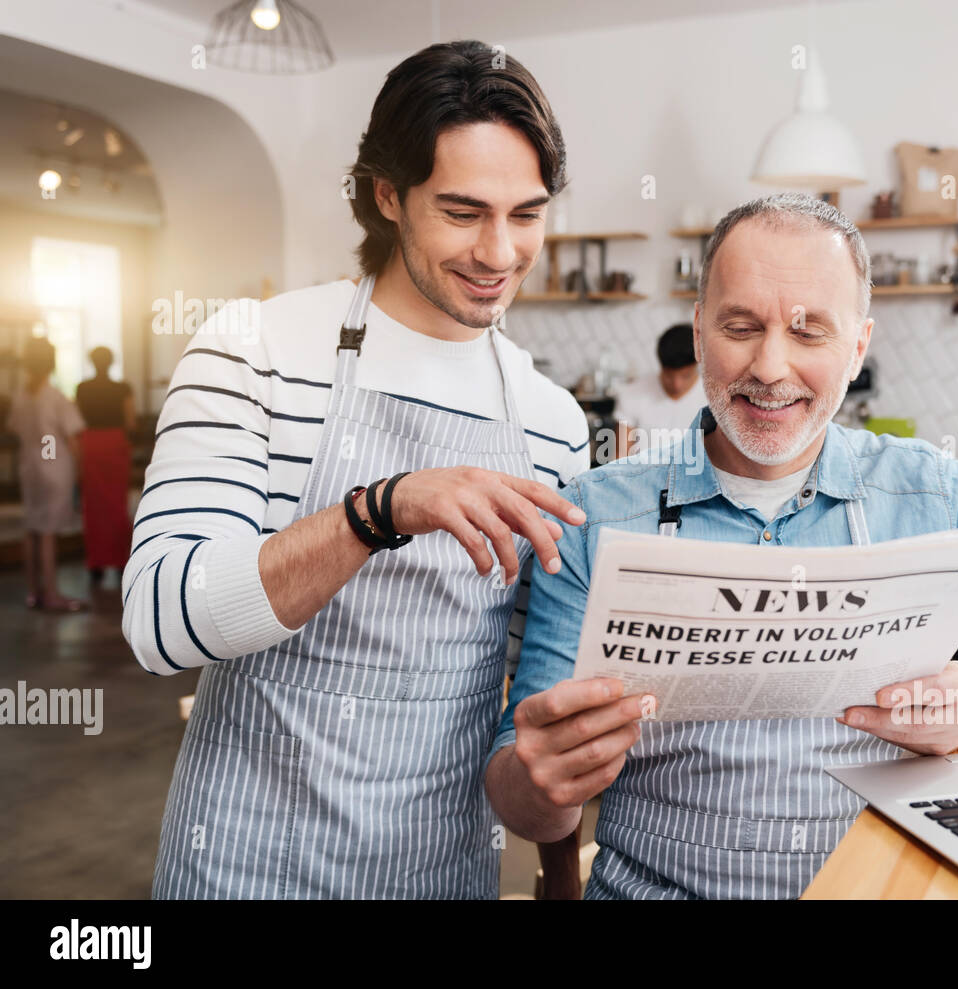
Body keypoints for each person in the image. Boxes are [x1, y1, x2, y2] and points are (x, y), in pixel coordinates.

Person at [485, 192, 958, 899]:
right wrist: (545, 780)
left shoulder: (937, 495)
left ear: (857, 346)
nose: (770, 367)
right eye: (741, 326)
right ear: (700, 331)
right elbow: (518, 799)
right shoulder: (592, 515)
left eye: (809, 333)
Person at [123, 41, 591, 899]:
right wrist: (375, 513)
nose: (499, 252)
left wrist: (563, 869)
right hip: (244, 863)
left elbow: (534, 697)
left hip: (436, 869)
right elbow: (161, 626)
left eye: (526, 214)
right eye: (462, 211)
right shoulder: (253, 352)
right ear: (387, 196)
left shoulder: (553, 424)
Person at [5, 336, 87, 612]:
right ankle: (52, 594)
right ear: (51, 363)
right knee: (49, 532)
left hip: (30, 468)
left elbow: (15, 429)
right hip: (54, 468)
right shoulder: (55, 397)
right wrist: (81, 470)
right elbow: (73, 438)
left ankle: (34, 592)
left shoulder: (20, 397)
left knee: (32, 529)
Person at [76, 346, 135, 585]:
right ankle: (121, 560)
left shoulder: (82, 388)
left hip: (90, 443)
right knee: (117, 503)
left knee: (93, 505)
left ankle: (96, 563)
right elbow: (131, 421)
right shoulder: (123, 388)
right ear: (111, 363)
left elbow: (77, 419)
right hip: (115, 442)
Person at [615, 323, 705, 455]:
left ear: (698, 363)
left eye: (685, 376)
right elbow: (620, 456)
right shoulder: (633, 393)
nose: (677, 384)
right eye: (669, 376)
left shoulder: (712, 398)